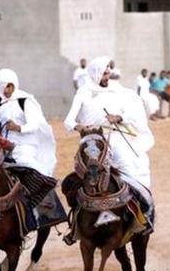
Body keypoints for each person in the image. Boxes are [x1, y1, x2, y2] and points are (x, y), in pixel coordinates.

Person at [62, 56, 156, 242]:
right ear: (96, 73)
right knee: (76, 182)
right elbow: (68, 121)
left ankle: (142, 215)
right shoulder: (84, 92)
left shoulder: (119, 91)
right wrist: (80, 128)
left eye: (108, 72)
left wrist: (119, 118)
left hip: (118, 137)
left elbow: (134, 112)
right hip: (93, 141)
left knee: (133, 168)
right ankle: (75, 226)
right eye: (105, 73)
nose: (108, 76)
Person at [0, 69, 66, 225]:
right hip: (0, 146)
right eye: (4, 87)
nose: (7, 91)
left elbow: (36, 124)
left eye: (10, 86)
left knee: (32, 167)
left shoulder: (24, 100)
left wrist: (19, 128)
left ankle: (44, 209)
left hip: (25, 145)